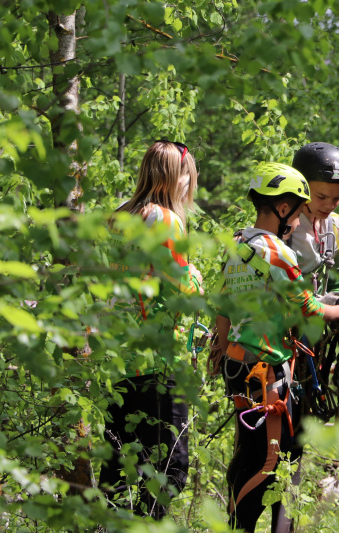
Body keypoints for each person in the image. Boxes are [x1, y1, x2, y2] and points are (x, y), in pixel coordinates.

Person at [213, 162, 339, 533]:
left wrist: (225, 353)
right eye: (296, 208)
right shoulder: (276, 252)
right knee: (268, 461)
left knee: (253, 453)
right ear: (283, 207)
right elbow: (307, 307)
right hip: (268, 374)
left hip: (239, 367)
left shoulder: (239, 245)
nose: (296, 217)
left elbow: (223, 308)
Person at [100, 140, 204, 519]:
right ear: (179, 177)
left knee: (119, 468)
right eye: (189, 174)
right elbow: (178, 285)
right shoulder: (164, 219)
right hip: (158, 363)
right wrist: (196, 277)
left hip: (118, 361)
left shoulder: (118, 217)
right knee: (168, 470)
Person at [286, 142, 339, 296]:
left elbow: (337, 284)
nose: (330, 205)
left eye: (337, 198)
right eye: (321, 197)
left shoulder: (338, 227)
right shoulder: (280, 226)